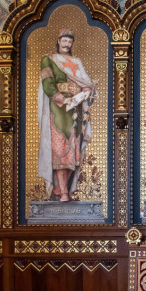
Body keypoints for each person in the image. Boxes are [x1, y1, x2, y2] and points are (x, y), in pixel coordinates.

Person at [38, 28, 97, 202]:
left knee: (75, 149)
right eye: (64, 40)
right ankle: (64, 192)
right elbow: (48, 83)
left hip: (76, 108)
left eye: (69, 41)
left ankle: (61, 188)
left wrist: (86, 91)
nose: (67, 44)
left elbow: (85, 82)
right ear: (58, 41)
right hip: (59, 108)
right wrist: (62, 99)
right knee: (60, 148)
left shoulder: (76, 62)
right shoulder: (49, 59)